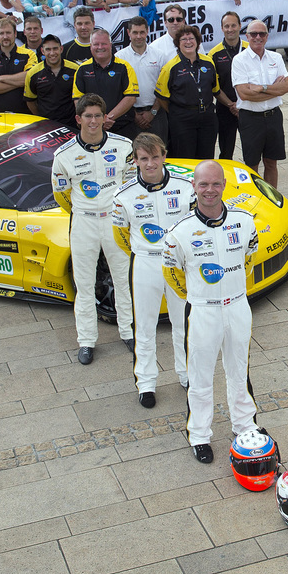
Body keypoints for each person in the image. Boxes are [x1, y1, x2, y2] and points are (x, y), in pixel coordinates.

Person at [161, 160, 262, 464]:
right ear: (194, 186)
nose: (210, 190)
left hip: (238, 306)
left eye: (215, 183)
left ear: (223, 185)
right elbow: (172, 274)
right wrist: (197, 298)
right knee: (200, 376)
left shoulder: (245, 222)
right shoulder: (179, 232)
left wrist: (233, 293)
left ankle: (245, 427)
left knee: (239, 371)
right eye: (203, 184)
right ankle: (200, 435)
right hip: (203, 312)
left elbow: (249, 259)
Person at [52, 95, 134, 364]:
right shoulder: (63, 155)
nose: (93, 121)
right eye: (88, 116)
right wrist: (82, 211)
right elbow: (61, 194)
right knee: (84, 283)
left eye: (98, 115)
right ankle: (86, 340)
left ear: (105, 117)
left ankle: (128, 331)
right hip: (84, 222)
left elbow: (131, 185)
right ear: (78, 119)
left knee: (123, 278)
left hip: (115, 221)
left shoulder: (123, 146)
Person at [113, 133, 194, 408]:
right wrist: (143, 253)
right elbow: (121, 235)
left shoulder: (186, 187)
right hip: (145, 263)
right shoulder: (123, 195)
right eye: (144, 158)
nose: (150, 163)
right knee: (145, 326)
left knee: (182, 322)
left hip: (178, 264)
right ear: (135, 160)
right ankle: (146, 383)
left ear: (164, 155)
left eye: (155, 157)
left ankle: (186, 374)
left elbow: (194, 227)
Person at [231, 20, 288, 186]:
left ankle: (272, 200)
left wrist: (260, 88)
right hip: (251, 119)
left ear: (267, 36)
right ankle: (255, 200)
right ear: (247, 36)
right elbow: (244, 94)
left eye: (262, 34)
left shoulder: (276, 58)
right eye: (254, 34)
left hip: (273, 116)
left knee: (272, 162)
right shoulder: (239, 60)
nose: (258, 37)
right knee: (251, 165)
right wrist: (274, 89)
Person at [157, 25, 220, 159]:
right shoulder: (170, 67)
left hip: (207, 117)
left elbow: (215, 89)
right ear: (177, 44)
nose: (188, 42)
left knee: (206, 158)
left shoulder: (208, 62)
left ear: (197, 42)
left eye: (191, 38)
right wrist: (177, 112)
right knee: (185, 158)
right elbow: (162, 97)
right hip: (182, 119)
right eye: (183, 39)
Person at [73, 29, 139, 138]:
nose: (100, 47)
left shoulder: (124, 67)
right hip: (93, 129)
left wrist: (108, 118)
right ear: (90, 46)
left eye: (104, 44)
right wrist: (97, 120)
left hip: (122, 127)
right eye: (96, 44)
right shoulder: (82, 69)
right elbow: (78, 100)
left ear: (110, 45)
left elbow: (131, 97)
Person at [207, 14, 244, 159]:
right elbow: (213, 85)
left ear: (240, 26)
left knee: (251, 150)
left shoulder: (249, 48)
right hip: (225, 107)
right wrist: (231, 105)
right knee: (226, 151)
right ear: (222, 28)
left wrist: (242, 104)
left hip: (247, 106)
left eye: (233, 25)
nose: (230, 29)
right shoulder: (214, 54)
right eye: (227, 26)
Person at [0, 16, 35, 113]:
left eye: (8, 32)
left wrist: (1, 78)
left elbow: (29, 79)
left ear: (15, 34)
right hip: (0, 116)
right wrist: (19, 83)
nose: (5, 36)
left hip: (26, 115)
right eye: (1, 33)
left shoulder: (28, 54)